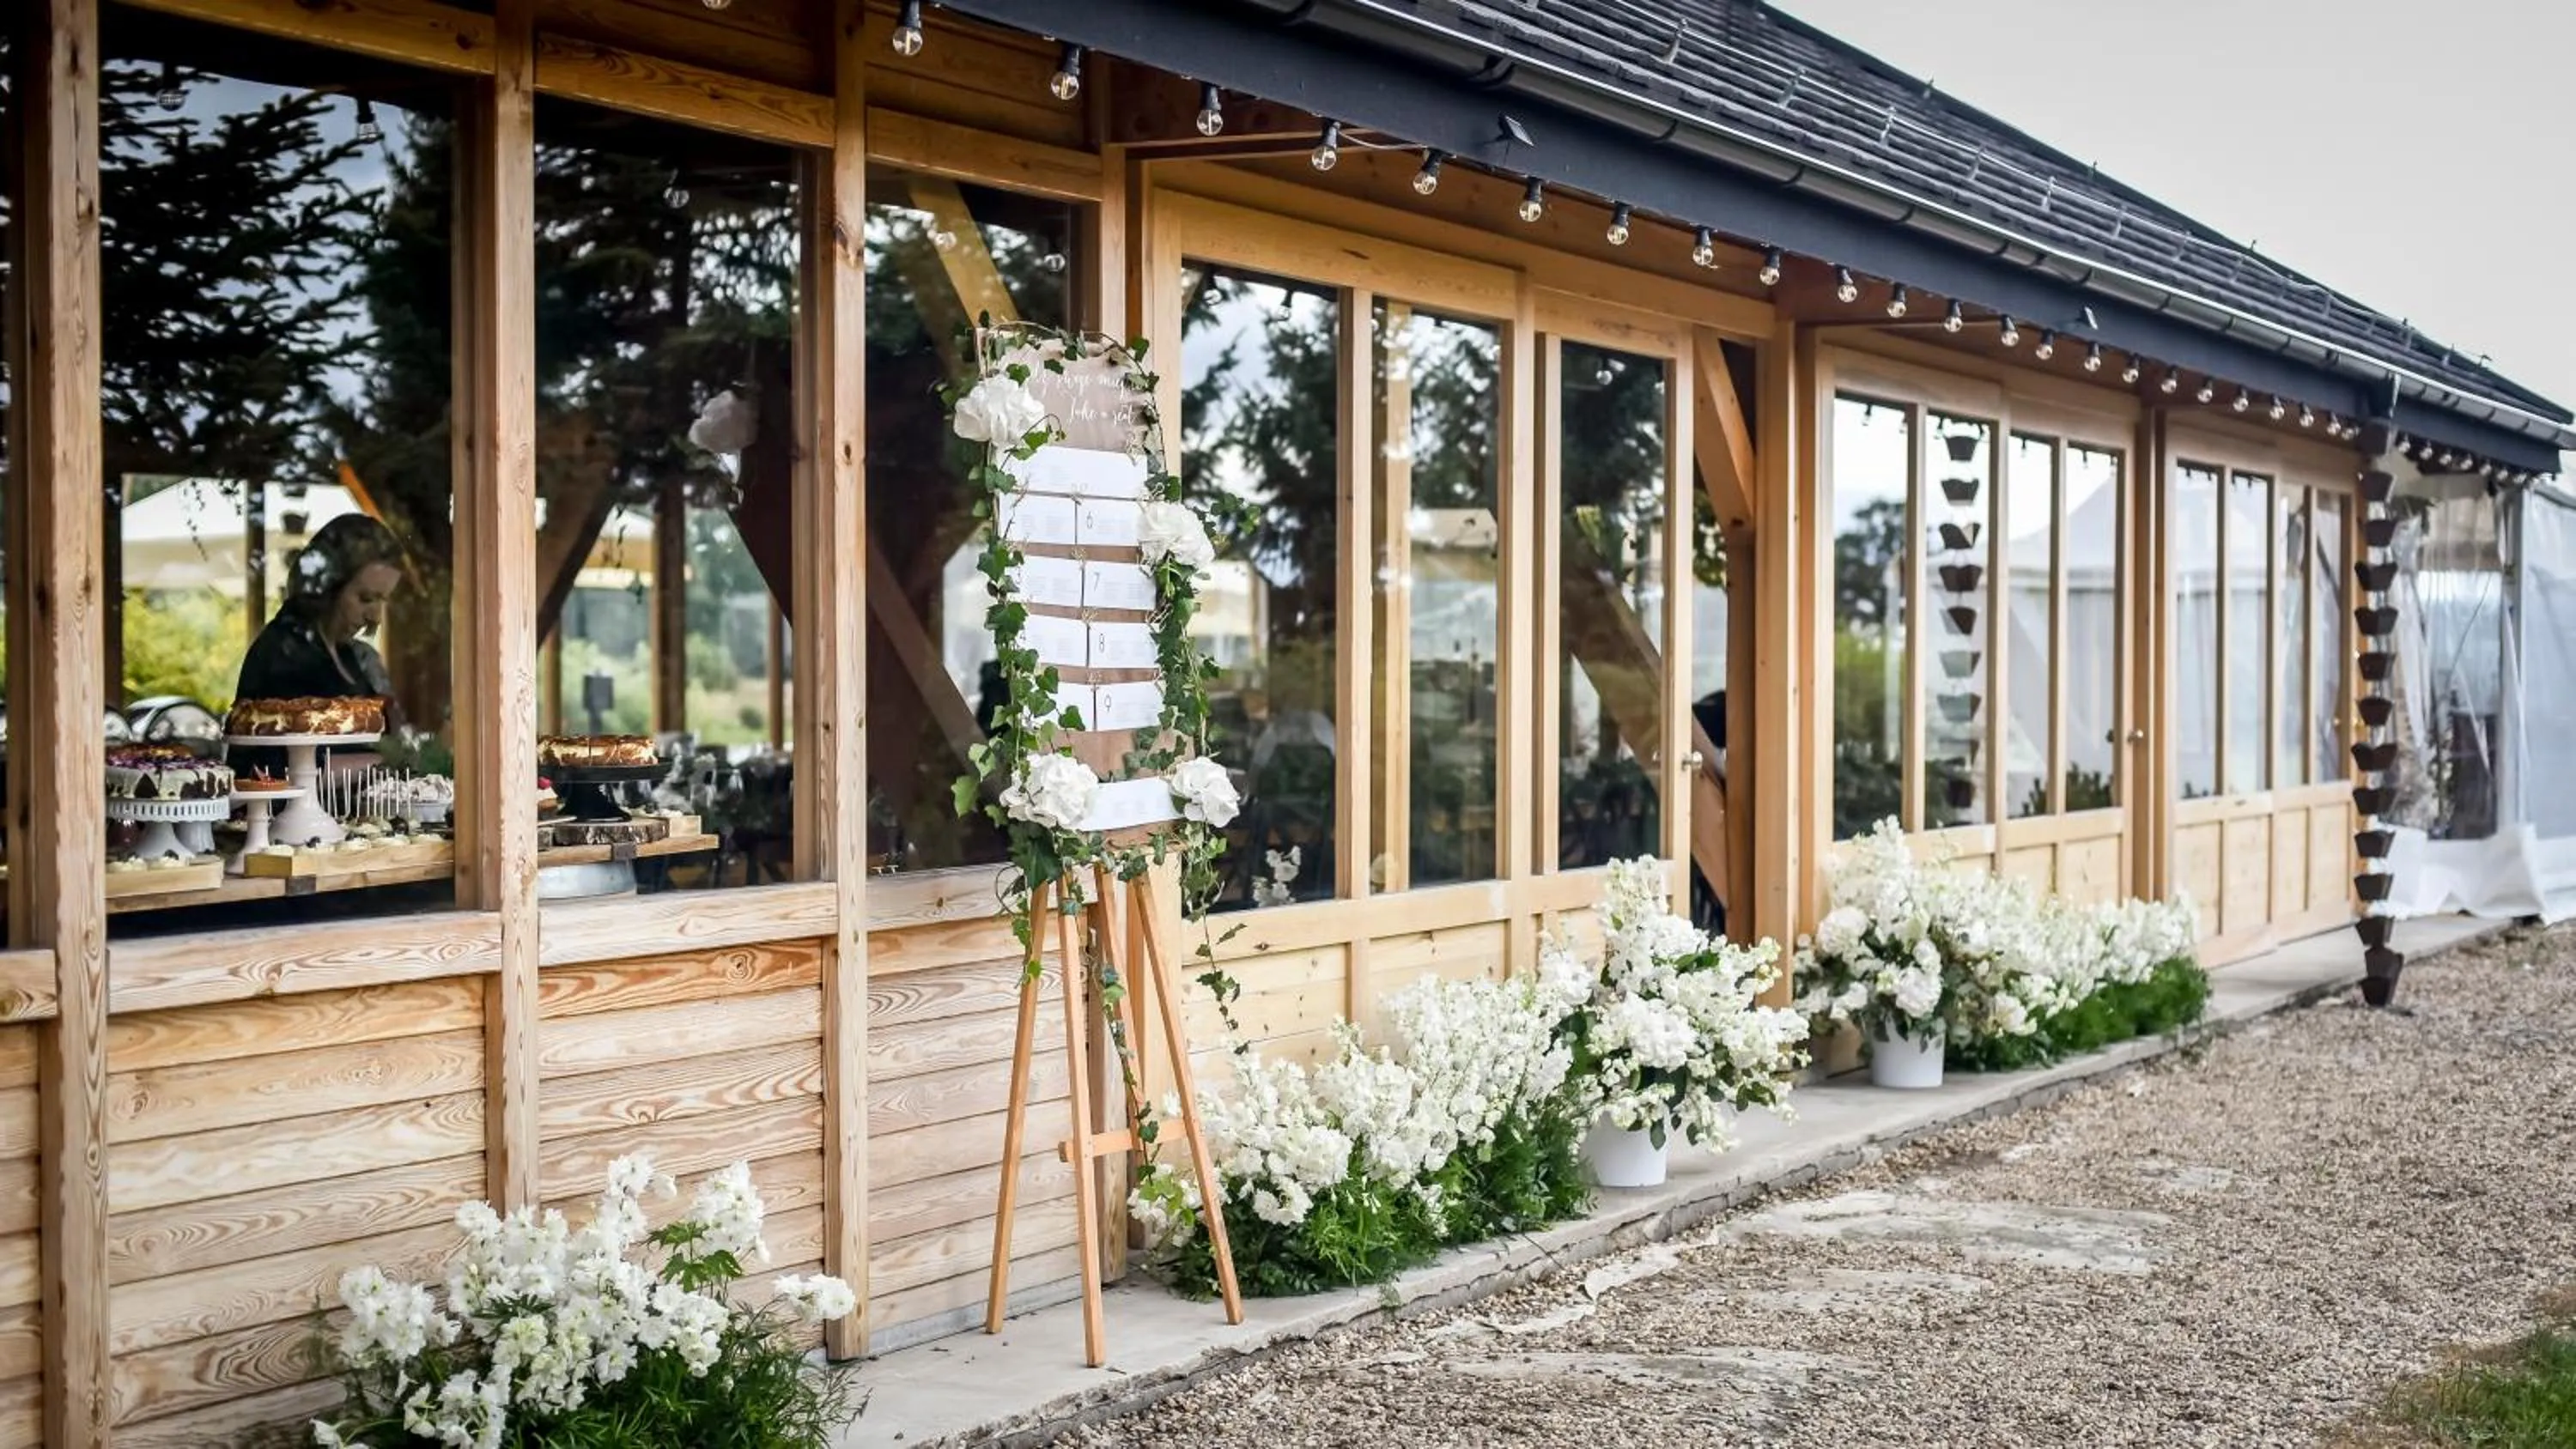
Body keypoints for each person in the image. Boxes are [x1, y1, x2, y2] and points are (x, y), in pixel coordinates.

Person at [233, 514, 409, 771]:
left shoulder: (351, 655)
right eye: (366, 598)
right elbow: (279, 770)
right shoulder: (284, 654)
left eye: (383, 601)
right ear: (326, 586)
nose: (376, 617)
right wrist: (385, 762)